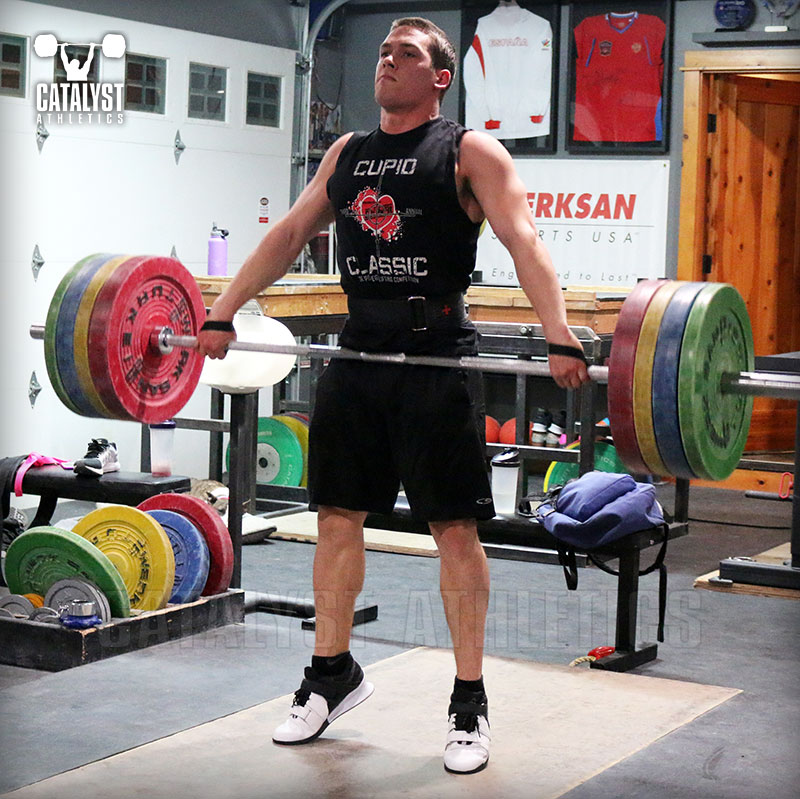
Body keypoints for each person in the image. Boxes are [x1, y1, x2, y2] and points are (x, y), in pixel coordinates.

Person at [197, 17, 590, 775]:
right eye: (383, 51)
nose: (387, 61)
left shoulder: (468, 152)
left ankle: (468, 700)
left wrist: (560, 332)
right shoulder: (349, 154)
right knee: (338, 516)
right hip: (357, 354)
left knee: (452, 528)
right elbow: (286, 236)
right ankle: (331, 672)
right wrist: (225, 309)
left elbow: (525, 240)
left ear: (441, 77)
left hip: (434, 360)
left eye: (406, 54)